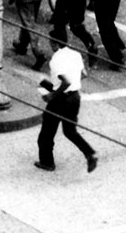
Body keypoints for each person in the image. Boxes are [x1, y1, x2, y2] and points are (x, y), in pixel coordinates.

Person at [35, 44, 99, 174]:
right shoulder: (76, 54)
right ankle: (90, 153)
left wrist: (52, 94)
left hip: (60, 99)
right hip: (75, 97)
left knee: (46, 133)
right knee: (70, 131)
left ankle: (47, 162)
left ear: (55, 42)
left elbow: (66, 82)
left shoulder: (56, 58)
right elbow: (84, 74)